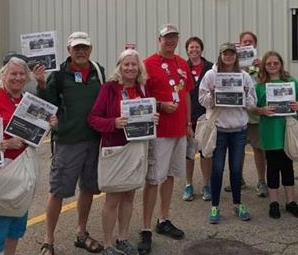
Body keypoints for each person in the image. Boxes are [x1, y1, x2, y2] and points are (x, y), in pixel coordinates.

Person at [0, 57, 56, 255]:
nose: (18, 78)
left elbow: (34, 137)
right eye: (13, 73)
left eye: (21, 74)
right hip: (1, 171)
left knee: (16, 226)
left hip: (25, 169)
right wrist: (4, 144)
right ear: (3, 76)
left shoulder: (29, 102)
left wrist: (49, 125)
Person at [36, 32, 107, 254]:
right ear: (69, 50)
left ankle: (81, 232)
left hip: (94, 140)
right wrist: (40, 84)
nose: (81, 51)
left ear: (91, 49)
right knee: (58, 190)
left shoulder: (98, 71)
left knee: (88, 188)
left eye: (85, 47)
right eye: (76, 48)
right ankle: (48, 240)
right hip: (68, 141)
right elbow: (46, 105)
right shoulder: (58, 76)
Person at [88, 49, 160, 255]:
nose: (130, 68)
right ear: (119, 66)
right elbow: (93, 118)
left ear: (139, 68)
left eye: (134, 64)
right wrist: (114, 123)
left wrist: (153, 119)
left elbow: (147, 114)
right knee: (112, 199)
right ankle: (109, 243)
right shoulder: (109, 89)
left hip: (137, 148)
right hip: (115, 150)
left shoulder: (142, 89)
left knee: (129, 196)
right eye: (126, 64)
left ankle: (123, 238)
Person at [138, 24, 193, 254]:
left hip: (179, 130)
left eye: (174, 37)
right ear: (158, 39)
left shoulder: (182, 63)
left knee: (170, 176)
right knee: (153, 179)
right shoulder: (147, 64)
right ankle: (146, 228)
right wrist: (160, 105)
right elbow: (140, 98)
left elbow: (187, 94)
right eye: (166, 37)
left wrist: (189, 124)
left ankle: (163, 219)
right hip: (158, 132)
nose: (170, 41)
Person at [197, 42, 258, 224]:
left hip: (238, 131)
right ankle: (215, 206)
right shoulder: (211, 75)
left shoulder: (245, 76)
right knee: (217, 169)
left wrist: (245, 95)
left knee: (236, 169)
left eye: (232, 54)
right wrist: (213, 95)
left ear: (236, 57)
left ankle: (237, 204)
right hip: (219, 130)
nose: (228, 57)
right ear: (220, 55)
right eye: (225, 54)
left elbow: (252, 104)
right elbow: (202, 100)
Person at [253, 51, 298, 219]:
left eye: (275, 63)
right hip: (269, 130)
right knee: (273, 166)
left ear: (281, 64)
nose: (273, 66)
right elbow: (252, 107)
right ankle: (274, 202)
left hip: (287, 129)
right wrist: (262, 110)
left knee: (287, 166)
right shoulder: (260, 86)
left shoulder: (291, 82)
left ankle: (290, 202)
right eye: (269, 64)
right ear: (264, 66)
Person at [230, 31, 267, 197]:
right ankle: (239, 179)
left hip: (255, 111)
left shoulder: (261, 64)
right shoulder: (232, 62)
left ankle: (261, 181)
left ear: (255, 45)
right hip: (238, 111)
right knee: (238, 149)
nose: (247, 44)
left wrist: (260, 69)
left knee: (258, 148)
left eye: (250, 41)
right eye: (244, 41)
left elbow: (266, 84)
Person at [182, 36, 214, 202]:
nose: (194, 50)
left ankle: (206, 185)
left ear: (201, 49)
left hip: (205, 116)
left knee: (205, 153)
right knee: (188, 154)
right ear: (187, 50)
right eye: (191, 48)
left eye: (197, 47)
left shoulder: (210, 67)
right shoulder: (182, 67)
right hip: (188, 117)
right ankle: (188, 184)